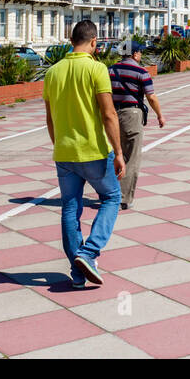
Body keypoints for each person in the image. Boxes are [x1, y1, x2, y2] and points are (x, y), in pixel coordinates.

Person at [44, 19, 124, 287]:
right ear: (94, 42)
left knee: (70, 207)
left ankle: (78, 272)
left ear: (71, 41)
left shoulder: (52, 73)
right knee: (112, 197)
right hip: (94, 151)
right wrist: (119, 152)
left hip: (64, 152)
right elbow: (109, 114)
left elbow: (50, 119)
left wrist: (60, 144)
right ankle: (89, 253)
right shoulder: (96, 69)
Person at [108, 41, 165, 209]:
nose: (140, 55)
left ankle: (110, 194)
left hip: (112, 116)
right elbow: (151, 97)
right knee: (131, 158)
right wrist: (160, 115)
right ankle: (123, 199)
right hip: (132, 115)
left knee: (115, 155)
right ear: (134, 54)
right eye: (140, 52)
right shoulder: (141, 72)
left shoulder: (110, 70)